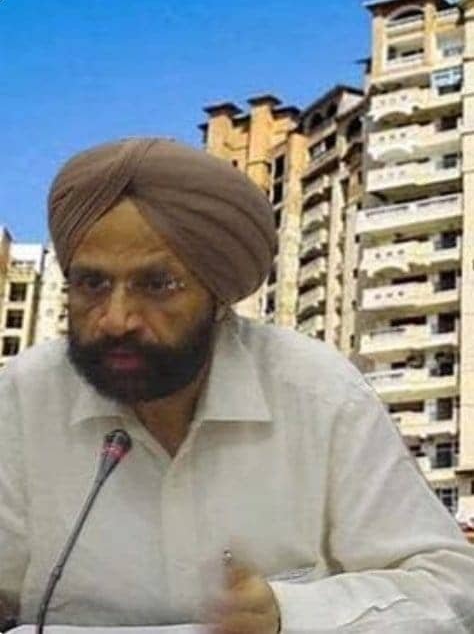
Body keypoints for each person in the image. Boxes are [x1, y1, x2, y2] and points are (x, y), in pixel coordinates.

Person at [0, 137, 473, 634]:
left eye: (158, 285)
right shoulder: (23, 399)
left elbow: (452, 589)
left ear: (217, 297)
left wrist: (287, 614)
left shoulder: (317, 393)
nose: (116, 319)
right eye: (92, 284)